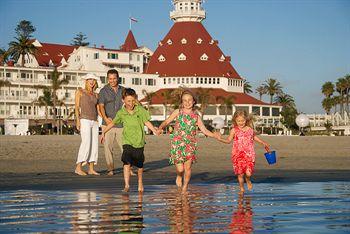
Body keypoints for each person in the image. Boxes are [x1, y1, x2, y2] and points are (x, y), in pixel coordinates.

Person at [157, 90, 219, 193]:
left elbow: (204, 130)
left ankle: (185, 187)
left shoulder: (196, 116)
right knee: (180, 169)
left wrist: (214, 135)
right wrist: (160, 127)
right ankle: (179, 175)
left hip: (190, 145)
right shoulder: (178, 112)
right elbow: (167, 121)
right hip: (177, 144)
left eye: (190, 100)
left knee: (188, 167)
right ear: (181, 102)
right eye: (184, 100)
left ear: (194, 101)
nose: (187, 102)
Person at [101, 88, 158, 192]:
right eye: (128, 101)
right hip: (127, 141)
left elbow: (146, 122)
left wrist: (154, 130)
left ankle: (140, 182)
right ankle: (126, 185)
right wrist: (104, 132)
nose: (131, 103)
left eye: (132, 100)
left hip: (139, 141)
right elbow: (113, 123)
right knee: (126, 162)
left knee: (140, 166)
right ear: (123, 100)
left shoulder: (140, 110)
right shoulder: (121, 112)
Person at [216, 110, 270, 193]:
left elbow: (254, 137)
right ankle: (241, 188)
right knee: (240, 174)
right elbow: (228, 140)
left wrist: (263, 143)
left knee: (248, 173)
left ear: (246, 120)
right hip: (237, 155)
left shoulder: (250, 129)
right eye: (238, 121)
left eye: (243, 121)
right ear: (235, 120)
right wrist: (220, 139)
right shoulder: (234, 130)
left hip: (249, 154)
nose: (241, 123)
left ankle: (248, 180)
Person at [98, 69, 124, 176]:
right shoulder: (103, 91)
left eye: (114, 78)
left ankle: (127, 168)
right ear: (107, 79)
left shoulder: (123, 90)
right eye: (110, 79)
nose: (112, 81)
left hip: (121, 123)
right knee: (108, 148)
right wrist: (105, 117)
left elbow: (128, 103)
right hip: (107, 123)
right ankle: (110, 169)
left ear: (118, 78)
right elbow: (101, 106)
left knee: (124, 147)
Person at [74, 73, 101, 176]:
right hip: (84, 119)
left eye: (94, 80)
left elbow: (98, 109)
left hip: (95, 121)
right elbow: (76, 107)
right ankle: (78, 167)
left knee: (94, 144)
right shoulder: (80, 91)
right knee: (86, 143)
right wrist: (77, 120)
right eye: (90, 79)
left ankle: (91, 168)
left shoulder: (96, 95)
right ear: (86, 81)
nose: (92, 81)